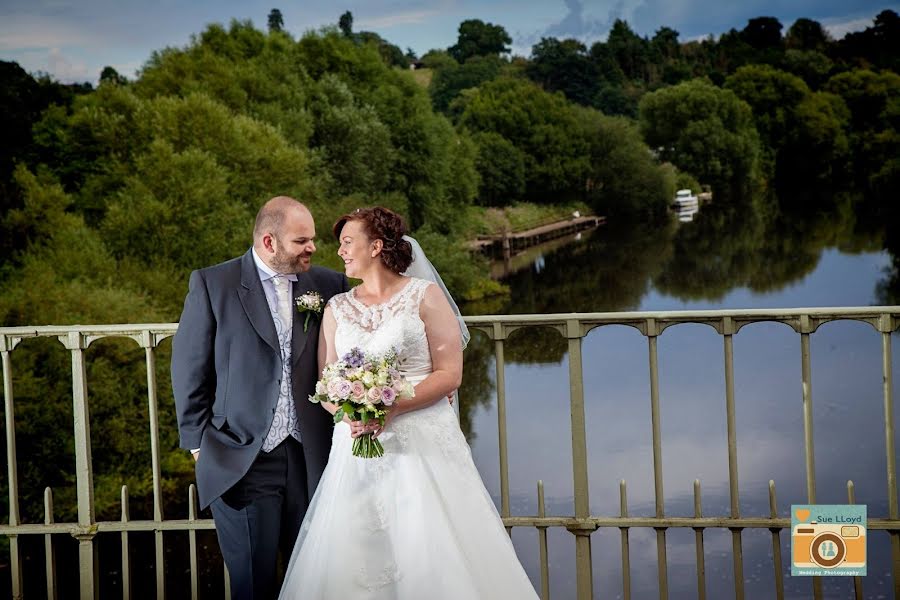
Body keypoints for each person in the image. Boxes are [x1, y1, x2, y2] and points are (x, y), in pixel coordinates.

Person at [278, 207, 539, 599]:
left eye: (348, 242)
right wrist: (351, 414)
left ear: (376, 246)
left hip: (421, 442)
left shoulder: (424, 296)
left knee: (430, 546)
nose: (341, 252)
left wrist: (393, 406)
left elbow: (450, 373)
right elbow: (327, 382)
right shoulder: (336, 308)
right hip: (355, 449)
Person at [171, 196, 350, 599]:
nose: (313, 248)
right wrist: (200, 447)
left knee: (316, 580)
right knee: (254, 584)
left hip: (313, 459)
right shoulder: (213, 284)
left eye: (313, 239)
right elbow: (189, 370)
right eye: (302, 241)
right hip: (242, 459)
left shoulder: (327, 284)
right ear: (269, 242)